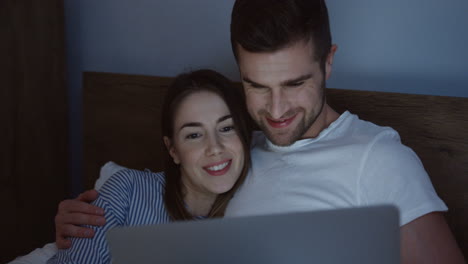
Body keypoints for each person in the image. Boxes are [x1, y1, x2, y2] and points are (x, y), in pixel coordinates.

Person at [31, 0, 468, 263]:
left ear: (328, 62)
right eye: (256, 85)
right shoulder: (237, 150)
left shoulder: (378, 159)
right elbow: (162, 200)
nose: (275, 112)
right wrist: (81, 223)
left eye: (295, 84)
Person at [33, 69, 251, 264]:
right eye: (194, 135)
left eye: (227, 128)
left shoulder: (262, 204)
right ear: (173, 150)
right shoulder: (127, 191)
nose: (214, 148)